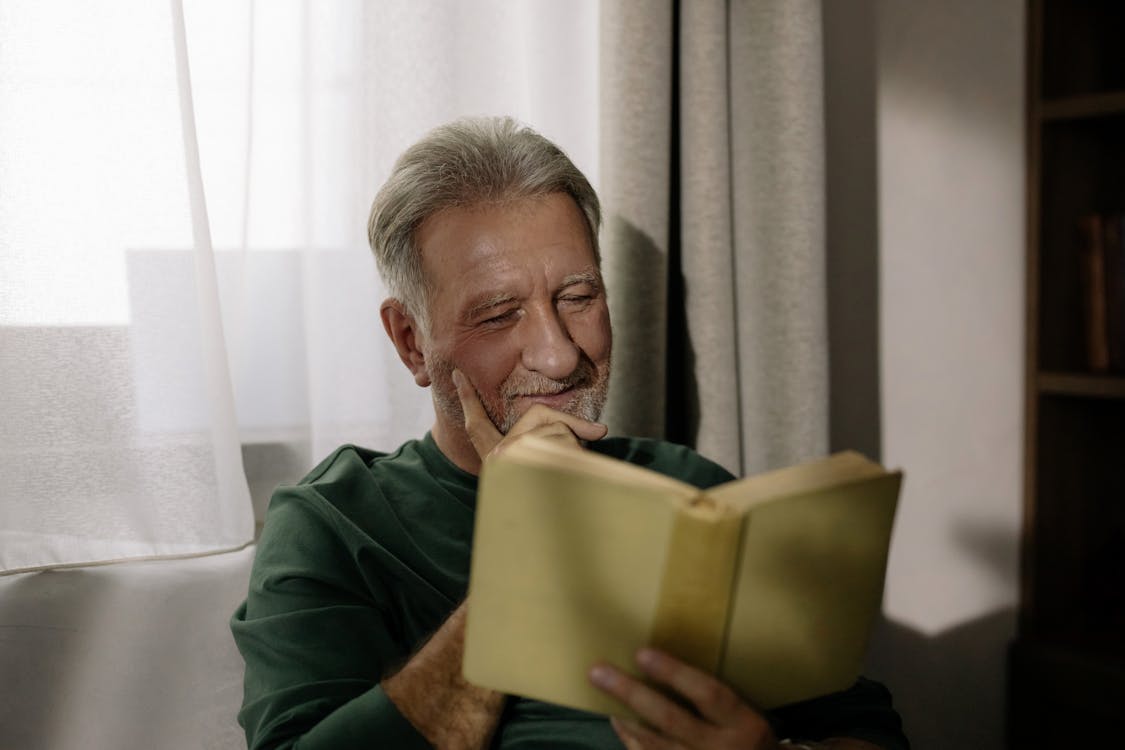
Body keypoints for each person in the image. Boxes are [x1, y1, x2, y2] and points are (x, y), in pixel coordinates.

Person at [231, 116, 909, 750]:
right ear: (411, 343)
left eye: (579, 298)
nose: (558, 355)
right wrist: (527, 552)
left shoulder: (686, 489)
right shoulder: (332, 524)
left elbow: (867, 733)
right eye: (498, 315)